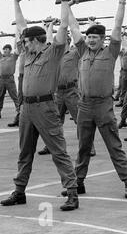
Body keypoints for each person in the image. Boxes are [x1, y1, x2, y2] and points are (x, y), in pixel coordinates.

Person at [0, 0, 79, 211]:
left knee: (58, 151)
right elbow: (20, 25)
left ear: (36, 40)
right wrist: (16, 3)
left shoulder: (53, 52)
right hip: (27, 109)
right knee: (24, 153)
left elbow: (63, 27)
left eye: (26, 41)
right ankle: (19, 191)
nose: (22, 44)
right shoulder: (28, 54)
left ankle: (72, 193)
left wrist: (64, 1)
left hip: (45, 107)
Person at [64, 0, 127, 199]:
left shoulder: (111, 51)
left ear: (103, 39)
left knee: (114, 146)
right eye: (89, 37)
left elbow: (117, 26)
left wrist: (121, 3)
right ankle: (79, 182)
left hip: (103, 106)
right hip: (84, 105)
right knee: (83, 147)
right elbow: (74, 27)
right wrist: (66, 4)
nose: (91, 40)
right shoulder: (83, 51)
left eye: (95, 37)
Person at [37, 19, 96, 157]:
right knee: (54, 122)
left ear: (69, 41)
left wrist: (91, 25)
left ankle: (88, 147)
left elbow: (85, 42)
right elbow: (48, 40)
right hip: (57, 93)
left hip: (71, 92)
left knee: (80, 120)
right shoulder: (53, 54)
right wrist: (49, 25)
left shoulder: (75, 53)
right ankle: (50, 146)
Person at [0, 37, 21, 122]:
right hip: (1, 79)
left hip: (10, 79)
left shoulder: (13, 57)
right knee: (0, 96)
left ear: (10, 50)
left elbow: (18, 49)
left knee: (14, 96)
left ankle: (19, 112)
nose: (5, 51)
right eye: (4, 49)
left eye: (6, 49)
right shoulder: (0, 57)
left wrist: (17, 37)